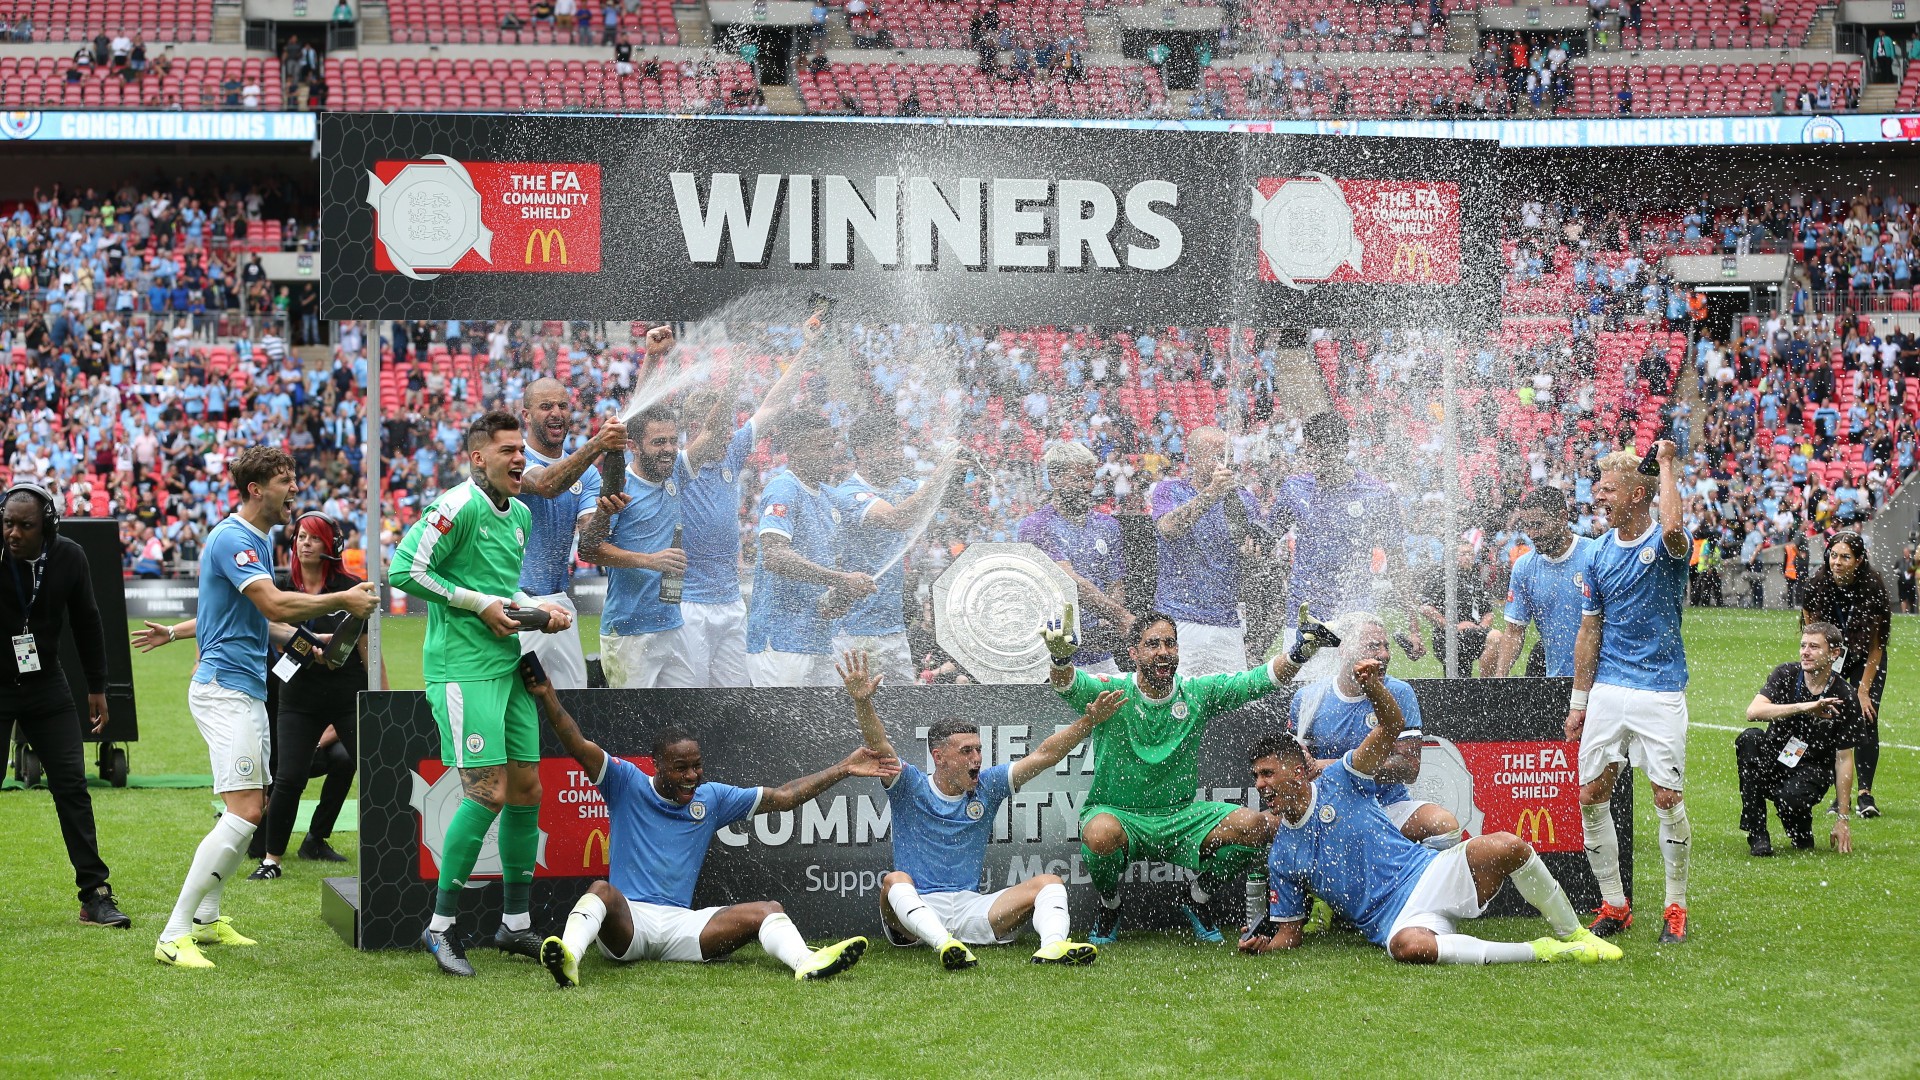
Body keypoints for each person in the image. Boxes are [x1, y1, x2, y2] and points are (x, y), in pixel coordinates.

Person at [524, 662, 886, 985]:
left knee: (769, 910)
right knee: (601, 890)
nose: (691, 775)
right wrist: (548, 696)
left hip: (683, 926)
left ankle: (807, 963)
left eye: (696, 765)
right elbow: (576, 743)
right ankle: (568, 958)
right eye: (680, 768)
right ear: (656, 765)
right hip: (629, 923)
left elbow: (784, 796)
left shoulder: (711, 797)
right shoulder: (625, 782)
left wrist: (843, 768)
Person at [156, 448, 379, 968]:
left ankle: (208, 921)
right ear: (257, 489)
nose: (294, 490)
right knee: (246, 812)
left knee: (248, 809)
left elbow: (267, 622)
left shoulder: (256, 539)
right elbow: (275, 603)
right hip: (224, 690)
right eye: (285, 481)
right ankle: (173, 932)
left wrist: (314, 639)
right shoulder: (234, 538)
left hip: (247, 689)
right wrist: (341, 602)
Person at [1237, 669, 1621, 966]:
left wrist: (1372, 687)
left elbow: (1390, 728)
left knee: (1510, 845)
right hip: (1391, 922)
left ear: (1299, 771)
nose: (1261, 784)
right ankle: (1543, 951)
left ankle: (1573, 935)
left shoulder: (1343, 778)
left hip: (1429, 872)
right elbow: (1290, 934)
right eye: (1256, 777)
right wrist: (1263, 945)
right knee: (1409, 948)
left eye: (1268, 774)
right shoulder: (1282, 856)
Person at [389, 412, 575, 976]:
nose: (520, 459)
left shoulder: (519, 514)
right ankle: (440, 928)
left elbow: (501, 593)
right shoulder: (457, 505)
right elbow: (404, 571)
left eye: (522, 450)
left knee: (526, 790)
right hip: (462, 671)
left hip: (508, 665)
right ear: (478, 459)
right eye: (508, 451)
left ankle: (514, 925)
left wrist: (537, 610)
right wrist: (479, 604)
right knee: (486, 792)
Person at [1041, 606, 1339, 944]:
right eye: (1153, 645)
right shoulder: (1112, 691)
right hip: (1119, 815)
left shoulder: (1196, 693)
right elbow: (1067, 685)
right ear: (1134, 653)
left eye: (1171, 643)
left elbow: (1256, 681)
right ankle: (1110, 905)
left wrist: (1300, 653)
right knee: (1098, 833)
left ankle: (1196, 898)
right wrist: (1060, 659)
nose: (1164, 652)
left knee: (1255, 827)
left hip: (1181, 818)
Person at [840, 649, 1113, 968]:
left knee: (1049, 883)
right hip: (913, 915)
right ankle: (944, 945)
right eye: (966, 751)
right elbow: (879, 745)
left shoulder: (989, 784)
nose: (977, 758)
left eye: (979, 750)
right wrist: (862, 701)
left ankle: (1053, 947)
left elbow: (1044, 755)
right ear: (939, 757)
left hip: (971, 908)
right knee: (894, 880)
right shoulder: (909, 785)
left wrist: (1089, 721)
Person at [1566, 441, 1694, 945]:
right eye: (1599, 488)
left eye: (1610, 489)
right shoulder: (1596, 553)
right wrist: (1579, 702)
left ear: (1639, 494)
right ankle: (1615, 905)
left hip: (1660, 689)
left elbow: (1675, 528)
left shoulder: (1665, 543)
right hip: (1609, 689)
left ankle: (1675, 906)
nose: (1601, 497)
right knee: (1591, 793)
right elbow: (1589, 632)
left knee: (1666, 796)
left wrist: (1666, 464)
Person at [0, 482, 127, 929]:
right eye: (7, 523)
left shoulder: (69, 556)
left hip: (45, 683)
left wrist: (97, 685)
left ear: (47, 526)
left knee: (72, 787)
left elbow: (88, 620)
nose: (13, 533)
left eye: (24, 526)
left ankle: (94, 895)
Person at [673, 328, 807, 687]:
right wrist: (735, 372)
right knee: (693, 699)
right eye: (719, 430)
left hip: (730, 601)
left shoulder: (730, 451)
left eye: (729, 430)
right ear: (694, 429)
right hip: (690, 605)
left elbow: (774, 405)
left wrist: (806, 349)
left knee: (735, 698)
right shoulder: (678, 464)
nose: (728, 436)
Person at [1270, 409, 1420, 681]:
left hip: (1356, 617)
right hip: (1304, 618)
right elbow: (1263, 540)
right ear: (1308, 449)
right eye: (1313, 451)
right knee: (1303, 704)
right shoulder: (1295, 488)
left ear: (1343, 448)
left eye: (1327, 450)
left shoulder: (1376, 493)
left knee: (1359, 702)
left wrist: (1414, 627)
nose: (1319, 459)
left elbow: (1397, 562)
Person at [1291, 614, 1460, 847]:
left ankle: (1414, 878)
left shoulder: (1399, 692)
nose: (1384, 654)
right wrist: (1297, 758)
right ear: (1344, 650)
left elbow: (1409, 768)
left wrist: (1331, 766)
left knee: (1443, 827)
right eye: (1373, 646)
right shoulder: (1309, 698)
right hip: (1329, 807)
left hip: (1387, 806)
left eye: (1386, 646)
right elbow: (1293, 768)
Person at [745, 412, 875, 687]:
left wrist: (843, 595)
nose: (829, 455)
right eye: (820, 448)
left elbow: (827, 575)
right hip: (781, 640)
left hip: (818, 639)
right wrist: (840, 579)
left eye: (830, 447)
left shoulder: (828, 496)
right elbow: (775, 556)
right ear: (795, 449)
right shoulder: (784, 489)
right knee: (782, 725)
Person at [515, 376, 627, 689]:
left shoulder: (588, 474)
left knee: (573, 704)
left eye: (563, 406)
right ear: (526, 415)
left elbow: (589, 542)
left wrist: (606, 511)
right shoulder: (513, 457)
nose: (557, 413)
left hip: (560, 602)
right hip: (515, 601)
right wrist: (597, 445)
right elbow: (546, 484)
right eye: (546, 406)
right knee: (513, 707)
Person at [827, 413, 950, 684]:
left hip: (894, 629)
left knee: (904, 715)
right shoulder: (847, 492)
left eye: (897, 445)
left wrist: (957, 463)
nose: (896, 454)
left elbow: (944, 495)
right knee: (859, 713)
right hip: (856, 631)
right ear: (862, 452)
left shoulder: (904, 487)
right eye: (887, 447)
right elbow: (896, 518)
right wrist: (942, 472)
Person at [580, 403, 692, 689]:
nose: (668, 449)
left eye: (672, 441)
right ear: (634, 446)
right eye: (658, 442)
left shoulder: (674, 471)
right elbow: (590, 549)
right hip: (629, 632)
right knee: (634, 727)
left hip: (673, 625)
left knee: (685, 723)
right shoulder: (619, 488)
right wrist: (650, 560)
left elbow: (712, 438)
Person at [1737, 622, 1864, 857]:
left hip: (1813, 768)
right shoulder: (1786, 674)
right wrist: (1804, 707)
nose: (1805, 652)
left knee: (1792, 802)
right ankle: (1757, 833)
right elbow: (1753, 712)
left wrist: (1843, 819)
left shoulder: (1845, 696)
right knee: (1749, 738)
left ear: (1834, 653)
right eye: (1803, 645)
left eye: (1814, 647)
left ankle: (1799, 826)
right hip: (1775, 757)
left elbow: (1844, 759)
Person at [1146, 426, 1264, 676]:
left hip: (1227, 621)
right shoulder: (1170, 491)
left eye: (1227, 456)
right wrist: (1211, 493)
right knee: (1175, 701)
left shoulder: (1244, 500)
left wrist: (1253, 555)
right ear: (1194, 457)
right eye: (1214, 456)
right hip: (1178, 619)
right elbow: (1168, 528)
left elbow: (1251, 560)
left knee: (1233, 702)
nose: (1223, 463)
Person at [1017, 440, 1131, 675]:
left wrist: (1107, 622)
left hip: (1101, 656)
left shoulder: (1108, 526)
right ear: (1055, 479)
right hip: (1055, 658)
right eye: (1079, 479)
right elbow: (1069, 581)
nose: (1088, 487)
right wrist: (1121, 617)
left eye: (1090, 479)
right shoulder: (1036, 526)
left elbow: (1115, 583)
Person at [1798, 532, 1890, 819]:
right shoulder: (1816, 584)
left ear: (1859, 560)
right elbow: (1811, 634)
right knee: (1831, 715)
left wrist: (1862, 691)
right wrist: (1820, 670)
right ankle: (1840, 797)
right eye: (1833, 555)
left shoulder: (1873, 587)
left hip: (1865, 656)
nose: (1837, 562)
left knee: (1866, 716)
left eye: (1845, 557)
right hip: (1831, 657)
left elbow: (1877, 646)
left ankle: (1865, 795)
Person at [1490, 485, 1596, 677]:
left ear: (1563, 517)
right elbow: (1514, 631)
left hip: (1602, 681)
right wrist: (1500, 678)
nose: (1532, 534)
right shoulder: (1524, 567)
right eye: (1527, 526)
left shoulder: (1593, 555)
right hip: (1557, 679)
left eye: (1538, 525)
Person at [1415, 543, 1500, 677]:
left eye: (1471, 554)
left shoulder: (1475, 578)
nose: (1468, 558)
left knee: (1460, 682)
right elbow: (1425, 608)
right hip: (1448, 637)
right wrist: (1452, 626)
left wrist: (1481, 628)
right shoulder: (1442, 576)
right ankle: (1487, 688)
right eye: (1463, 554)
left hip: (1472, 634)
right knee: (1495, 637)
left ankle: (1486, 686)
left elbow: (1488, 613)